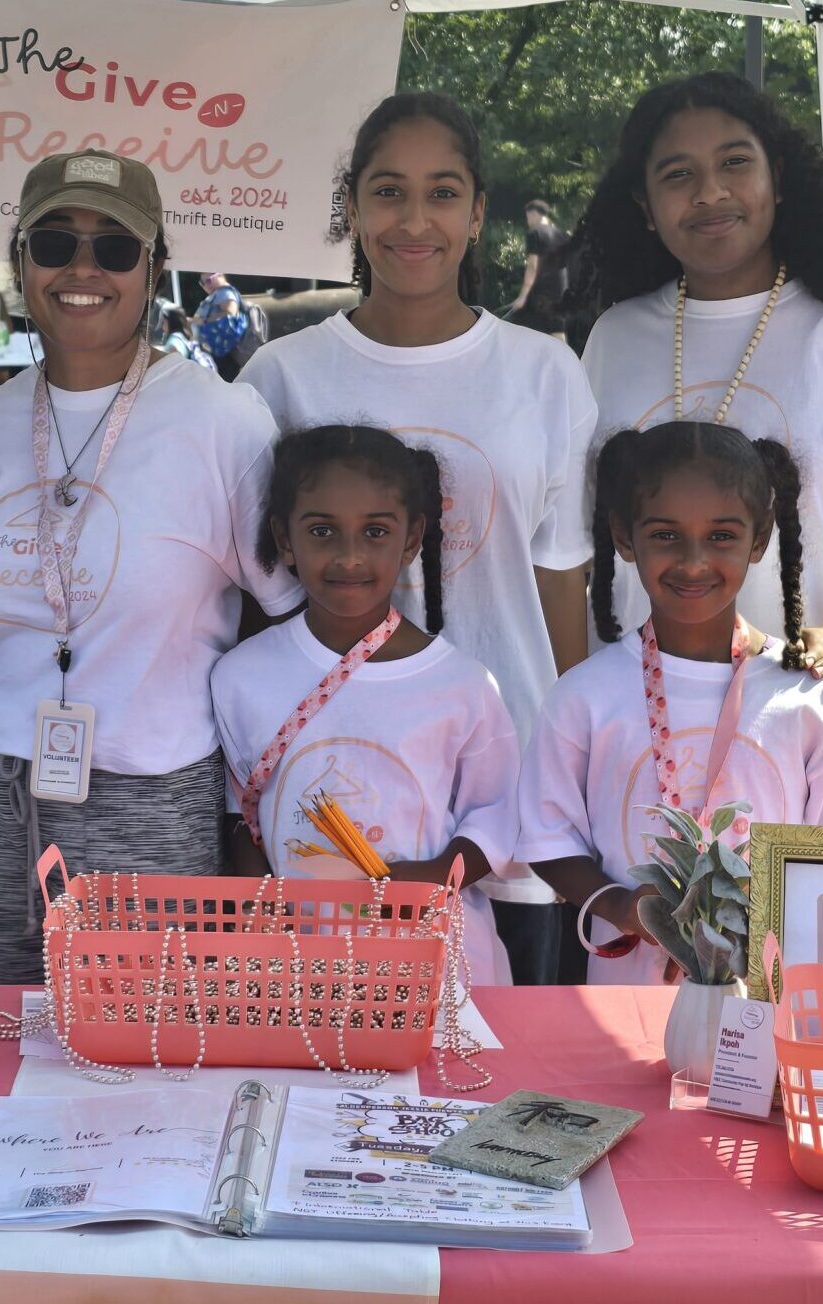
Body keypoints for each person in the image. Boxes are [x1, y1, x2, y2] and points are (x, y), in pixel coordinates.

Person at [239, 92, 596, 986]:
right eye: (387, 192)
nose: (414, 219)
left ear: (477, 214)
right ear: (351, 210)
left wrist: (578, 764)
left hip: (503, 801)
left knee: (505, 1074)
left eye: (443, 193)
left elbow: (560, 587)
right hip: (341, 794)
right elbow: (261, 593)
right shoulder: (281, 375)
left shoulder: (545, 371)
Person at [0, 151, 301, 984]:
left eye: (114, 250)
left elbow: (285, 613)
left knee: (149, 1066)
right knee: (4, 1048)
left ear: (155, 268)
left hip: (153, 793)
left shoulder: (222, 419)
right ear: (21, 258)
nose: (82, 269)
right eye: (55, 242)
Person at [575, 72, 823, 709]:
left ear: (778, 179)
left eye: (735, 162)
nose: (710, 192)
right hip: (631, 709)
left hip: (799, 710)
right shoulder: (615, 336)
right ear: (645, 209)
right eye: (677, 174)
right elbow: (586, 540)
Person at [519, 422, 823, 985]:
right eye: (665, 535)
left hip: (773, 1004)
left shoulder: (814, 698)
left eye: (721, 536)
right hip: (623, 1003)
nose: (693, 562)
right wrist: (620, 907)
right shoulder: (583, 695)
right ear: (623, 535)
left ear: (759, 540)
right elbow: (547, 836)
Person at [211, 425, 517, 986]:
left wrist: (431, 877)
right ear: (284, 539)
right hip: (299, 967)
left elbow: (498, 815)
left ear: (411, 539)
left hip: (435, 962)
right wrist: (260, 905)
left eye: (375, 532)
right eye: (322, 530)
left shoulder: (463, 686)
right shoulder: (239, 678)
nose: (349, 556)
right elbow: (240, 815)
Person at [508, 199, 570, 335]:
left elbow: (532, 266)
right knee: (558, 334)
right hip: (561, 293)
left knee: (521, 331)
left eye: (528, 216)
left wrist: (522, 297)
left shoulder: (535, 233)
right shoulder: (562, 235)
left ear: (533, 214)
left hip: (540, 295)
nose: (528, 220)